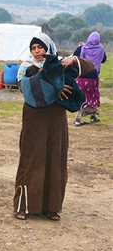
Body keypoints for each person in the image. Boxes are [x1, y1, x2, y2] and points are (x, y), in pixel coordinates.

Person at [14, 33, 95, 221]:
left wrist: (73, 59)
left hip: (56, 117)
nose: (37, 51)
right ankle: (23, 206)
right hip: (34, 116)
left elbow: (90, 69)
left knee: (54, 157)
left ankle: (51, 207)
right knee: (32, 157)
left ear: (48, 47)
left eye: (40, 47)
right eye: (33, 48)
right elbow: (24, 88)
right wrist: (53, 87)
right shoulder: (26, 67)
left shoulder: (60, 64)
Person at [73, 32, 107, 125]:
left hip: (81, 76)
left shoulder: (82, 48)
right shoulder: (101, 49)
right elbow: (103, 60)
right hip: (93, 77)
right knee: (92, 96)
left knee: (81, 97)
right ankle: (93, 116)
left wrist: (79, 46)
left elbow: (74, 56)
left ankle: (78, 119)